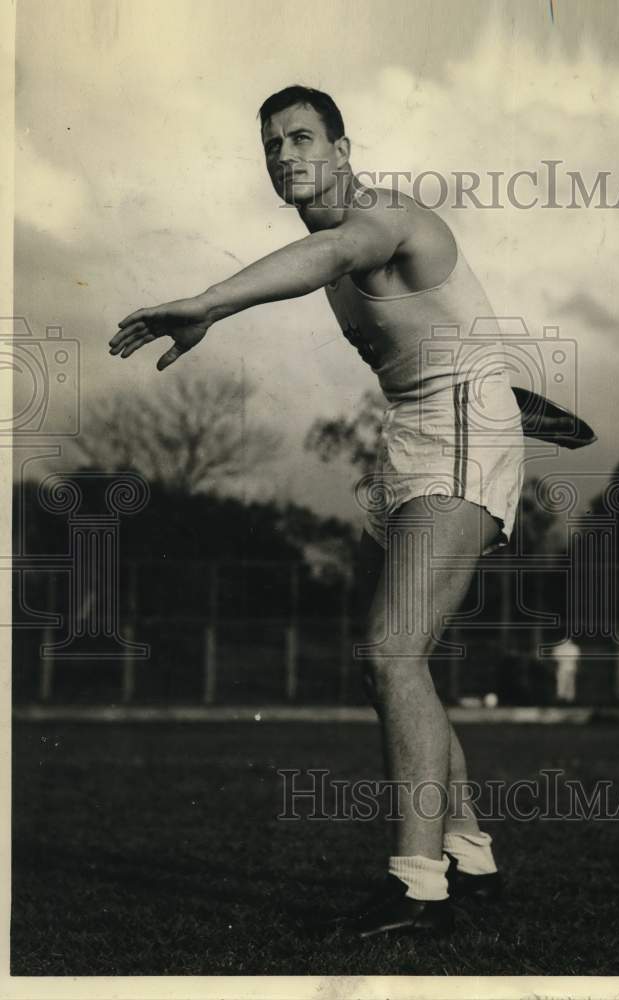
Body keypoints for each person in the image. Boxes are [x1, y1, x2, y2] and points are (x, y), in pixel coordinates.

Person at [109, 85, 524, 938]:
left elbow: (336, 255)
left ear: (342, 147)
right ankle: (469, 853)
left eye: (303, 138)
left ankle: (418, 885)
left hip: (458, 428)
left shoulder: (379, 219)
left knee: (389, 652)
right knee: (403, 661)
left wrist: (207, 303)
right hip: (421, 431)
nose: (287, 155)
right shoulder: (331, 237)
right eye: (272, 146)